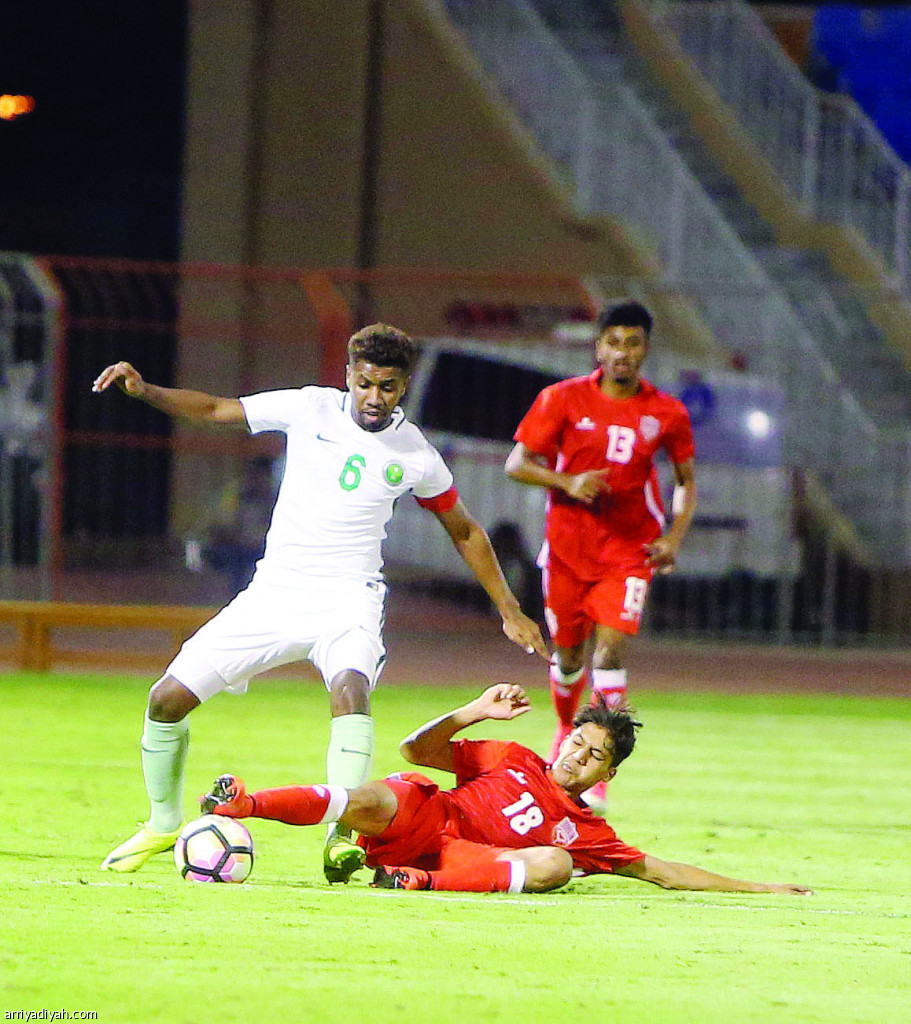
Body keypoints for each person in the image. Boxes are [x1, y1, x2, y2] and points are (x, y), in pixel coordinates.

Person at [93, 323, 547, 881]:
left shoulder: (417, 454)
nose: (374, 397)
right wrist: (146, 391)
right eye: (365, 383)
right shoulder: (310, 408)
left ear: (403, 386)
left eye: (387, 387)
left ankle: (343, 835)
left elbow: (466, 530)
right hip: (274, 594)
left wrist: (509, 608)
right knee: (165, 701)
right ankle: (164, 824)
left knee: (351, 692)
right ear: (348, 376)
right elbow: (214, 409)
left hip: (349, 600)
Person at [201, 683, 811, 897]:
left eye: (595, 756)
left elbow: (665, 872)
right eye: (578, 742)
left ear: (607, 775)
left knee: (557, 866)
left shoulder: (590, 832)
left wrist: (761, 887)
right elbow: (416, 750)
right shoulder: (513, 757)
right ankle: (243, 804)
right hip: (426, 820)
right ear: (564, 738)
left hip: (461, 861)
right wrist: (473, 711)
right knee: (380, 794)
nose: (578, 756)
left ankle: (415, 882)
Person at [504, 300, 697, 813]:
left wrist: (674, 537)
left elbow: (686, 481)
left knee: (608, 655)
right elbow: (517, 463)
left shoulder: (667, 413)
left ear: (646, 349)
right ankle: (566, 729)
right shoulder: (562, 399)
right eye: (614, 342)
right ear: (598, 347)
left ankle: (600, 762)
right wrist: (567, 481)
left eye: (633, 343)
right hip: (567, 552)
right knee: (568, 657)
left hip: (629, 552)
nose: (623, 353)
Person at [185, 454, 278, 595]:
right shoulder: (235, 495)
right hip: (231, 548)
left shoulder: (275, 500)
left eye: (263, 477)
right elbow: (213, 525)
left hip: (259, 550)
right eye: (254, 475)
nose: (258, 481)